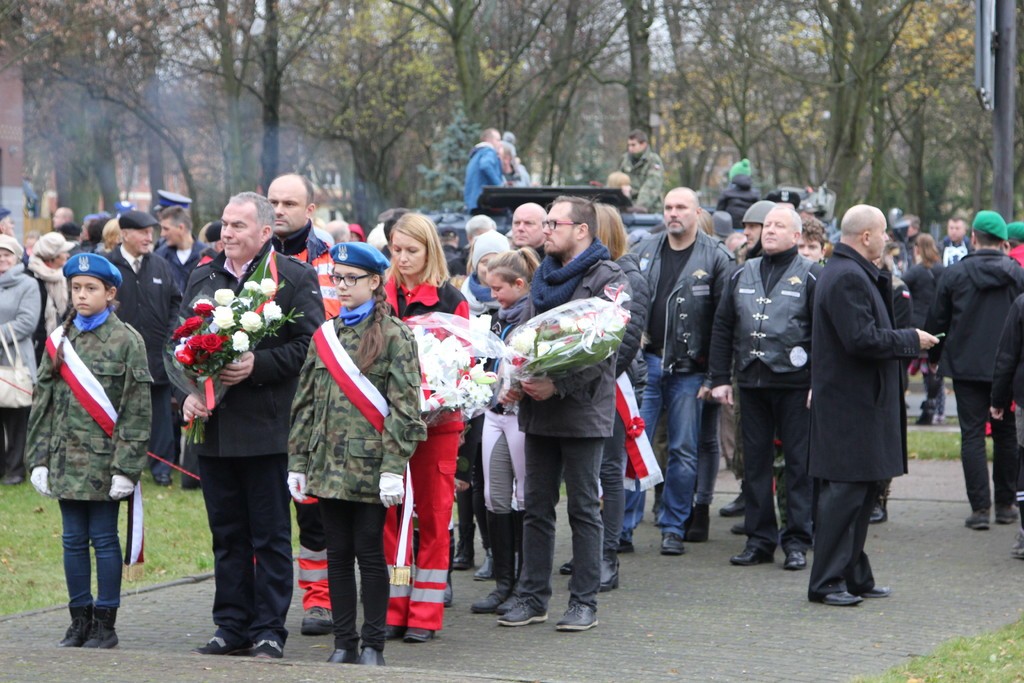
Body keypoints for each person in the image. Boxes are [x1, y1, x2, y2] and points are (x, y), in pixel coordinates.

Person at [183, 192, 325, 659]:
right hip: (215, 429)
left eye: (238, 226)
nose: (227, 233)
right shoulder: (204, 276)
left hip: (266, 431)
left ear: (265, 232)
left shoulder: (293, 278)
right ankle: (230, 625)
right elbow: (180, 343)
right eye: (224, 224)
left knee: (269, 536)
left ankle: (268, 629)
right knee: (227, 535)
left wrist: (256, 365)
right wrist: (188, 394)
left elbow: (311, 348)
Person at [287, 242, 427, 667]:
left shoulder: (395, 335)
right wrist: (297, 462)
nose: (342, 286)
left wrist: (393, 468)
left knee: (369, 554)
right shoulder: (325, 335)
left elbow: (406, 410)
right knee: (336, 555)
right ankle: (344, 642)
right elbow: (305, 404)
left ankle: (372, 644)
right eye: (337, 278)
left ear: (374, 281)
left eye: (351, 278)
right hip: (327, 465)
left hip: (371, 468)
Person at [497, 196, 626, 632]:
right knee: (536, 506)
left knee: (584, 508)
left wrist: (560, 385)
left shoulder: (607, 276)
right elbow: (527, 335)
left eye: (554, 223)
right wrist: (516, 378)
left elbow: (604, 348)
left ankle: (584, 602)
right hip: (539, 410)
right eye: (546, 223)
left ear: (581, 230)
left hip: (583, 410)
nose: (546, 230)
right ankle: (533, 597)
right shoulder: (544, 274)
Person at [807, 205, 937, 606]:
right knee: (845, 495)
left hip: (859, 402)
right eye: (883, 233)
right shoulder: (847, 276)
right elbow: (860, 339)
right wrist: (911, 339)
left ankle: (854, 575)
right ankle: (826, 581)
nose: (888, 239)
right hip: (850, 406)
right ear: (866, 236)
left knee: (861, 494)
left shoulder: (854, 272)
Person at [26, 253, 152, 647]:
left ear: (110, 293)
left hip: (104, 462)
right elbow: (42, 402)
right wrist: (38, 459)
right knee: (72, 540)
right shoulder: (59, 340)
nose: (81, 295)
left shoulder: (127, 340)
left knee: (104, 538)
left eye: (91, 288)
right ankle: (78, 619)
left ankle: (105, 623)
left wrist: (126, 468)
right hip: (65, 460)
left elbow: (136, 409)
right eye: (76, 288)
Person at [622, 188, 732, 556]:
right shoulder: (643, 251)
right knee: (635, 444)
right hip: (646, 364)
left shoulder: (717, 257)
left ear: (697, 213)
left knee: (684, 450)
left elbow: (724, 322)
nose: (673, 213)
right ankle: (622, 528)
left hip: (690, 369)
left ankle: (673, 527)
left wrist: (716, 375)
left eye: (681, 207)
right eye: (668, 207)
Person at [709, 206, 821, 571]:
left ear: (796, 236)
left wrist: (818, 381)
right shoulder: (741, 272)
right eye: (767, 225)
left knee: (798, 465)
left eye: (779, 226)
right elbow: (723, 327)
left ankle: (797, 540)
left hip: (795, 385)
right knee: (754, 465)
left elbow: (824, 334)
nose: (770, 230)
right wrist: (720, 378)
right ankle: (759, 540)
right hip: (751, 382)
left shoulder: (812, 275)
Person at [382, 212, 469, 643]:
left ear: (430, 250)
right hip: (386, 425)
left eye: (411, 251)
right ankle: (394, 607)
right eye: (396, 250)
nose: (402, 259)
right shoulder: (380, 295)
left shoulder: (451, 299)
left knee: (433, 515)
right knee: (390, 517)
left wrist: (439, 398)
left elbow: (466, 363)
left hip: (438, 425)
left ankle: (426, 612)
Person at [267, 172, 339, 636]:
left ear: (310, 210)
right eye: (272, 201)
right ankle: (263, 601)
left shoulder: (332, 260)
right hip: (260, 403)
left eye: (289, 203)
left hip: (314, 406)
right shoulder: (250, 259)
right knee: (265, 513)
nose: (278, 210)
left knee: (313, 510)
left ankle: (320, 600)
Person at [927, 210, 1024, 530]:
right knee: (1006, 435)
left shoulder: (954, 274)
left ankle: (980, 508)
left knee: (971, 435)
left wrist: (934, 356)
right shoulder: (1017, 274)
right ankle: (1007, 505)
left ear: (973, 238)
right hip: (1006, 367)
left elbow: (938, 320)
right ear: (1004, 242)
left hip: (966, 366)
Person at [470, 247, 538, 614]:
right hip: (494, 413)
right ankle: (503, 582)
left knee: (525, 497)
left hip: (521, 416)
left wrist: (522, 385)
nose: (493, 295)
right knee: (494, 496)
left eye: (498, 289)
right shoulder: (496, 318)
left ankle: (526, 584)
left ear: (520, 284)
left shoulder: (536, 316)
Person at [106, 210, 182, 488]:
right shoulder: (108, 266)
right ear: (125, 234)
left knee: (160, 415)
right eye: (143, 232)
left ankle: (162, 468)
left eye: (152, 232)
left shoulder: (160, 265)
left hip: (156, 355)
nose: (150, 237)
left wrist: (171, 334)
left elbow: (176, 301)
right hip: (117, 357)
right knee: (117, 412)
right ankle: (116, 464)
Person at [0, 236, 41, 485]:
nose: (2, 259)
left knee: (16, 418)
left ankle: (15, 469)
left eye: (6, 254)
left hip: (16, 361)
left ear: (16, 258)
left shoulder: (28, 284)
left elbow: (27, 322)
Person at [902, 234, 945, 425]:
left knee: (903, 365)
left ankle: (902, 403)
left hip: (916, 324)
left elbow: (900, 286)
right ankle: (935, 407)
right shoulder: (942, 270)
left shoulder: (915, 271)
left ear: (918, 249)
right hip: (936, 324)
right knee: (933, 369)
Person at [26, 232, 75, 363]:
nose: (67, 255)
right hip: (36, 346)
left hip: (57, 341)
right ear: (52, 257)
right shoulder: (30, 278)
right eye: (64, 252)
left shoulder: (63, 276)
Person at [155, 206, 207, 293]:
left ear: (181, 228)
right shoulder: (160, 255)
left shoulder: (206, 255)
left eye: (166, 229)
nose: (162, 234)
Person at [618, 130, 664, 211]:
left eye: (633, 145)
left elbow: (652, 185)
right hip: (627, 205)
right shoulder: (625, 159)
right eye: (629, 145)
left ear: (643, 144)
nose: (630, 148)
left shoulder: (653, 160)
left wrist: (639, 206)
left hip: (650, 208)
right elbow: (618, 180)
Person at [464, 128, 504, 212]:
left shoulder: (477, 154)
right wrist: (499, 186)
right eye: (498, 140)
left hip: (473, 203)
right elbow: (485, 165)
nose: (500, 143)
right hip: (483, 202)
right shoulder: (488, 151)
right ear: (489, 140)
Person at [715, 159, 759, 232]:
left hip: (730, 227)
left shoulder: (726, 193)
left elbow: (719, 211)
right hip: (749, 227)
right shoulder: (755, 194)